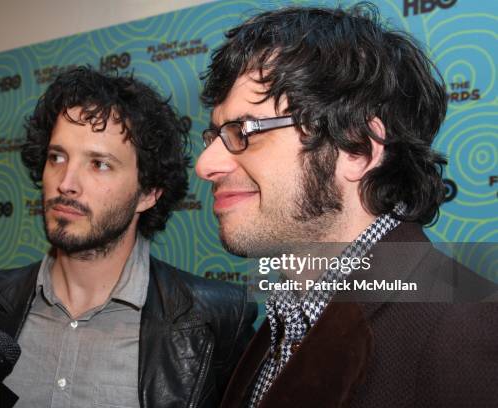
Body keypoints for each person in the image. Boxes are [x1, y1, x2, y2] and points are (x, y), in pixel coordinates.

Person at [195, 4, 498, 408]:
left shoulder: (464, 330)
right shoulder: (283, 319)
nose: (205, 165)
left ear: (356, 148)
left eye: (244, 131)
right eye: (214, 135)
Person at [0, 66, 257, 408]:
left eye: (99, 164)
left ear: (148, 193)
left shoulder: (216, 319)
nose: (66, 182)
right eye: (57, 157)